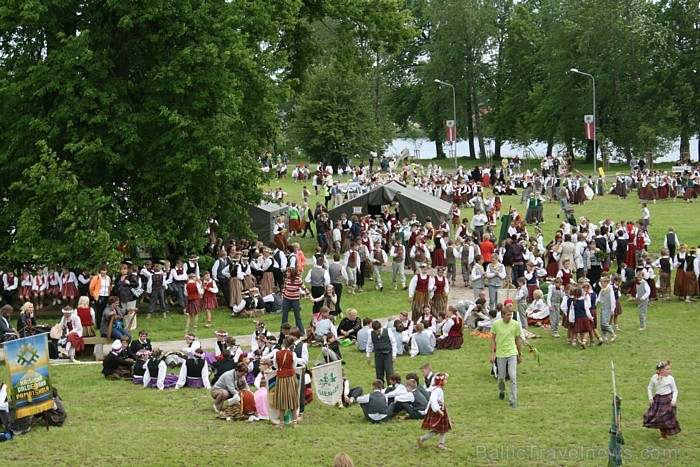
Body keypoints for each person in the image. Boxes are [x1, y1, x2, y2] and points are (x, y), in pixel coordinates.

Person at [490, 305, 522, 408]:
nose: (510, 316)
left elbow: (518, 339)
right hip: (500, 354)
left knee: (513, 377)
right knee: (501, 378)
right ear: (502, 315)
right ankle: (502, 390)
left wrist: (519, 354)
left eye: (511, 314)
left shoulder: (515, 324)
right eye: (508, 315)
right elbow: (492, 339)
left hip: (512, 353)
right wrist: (492, 354)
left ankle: (513, 400)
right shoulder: (496, 324)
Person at [644, 361, 680, 440]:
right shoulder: (654, 377)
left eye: (669, 369)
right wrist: (650, 398)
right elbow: (650, 388)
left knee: (666, 417)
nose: (669, 371)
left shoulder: (670, 378)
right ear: (661, 370)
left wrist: (673, 400)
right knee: (658, 417)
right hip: (658, 400)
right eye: (667, 369)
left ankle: (667, 433)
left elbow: (675, 390)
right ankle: (663, 434)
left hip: (668, 400)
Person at [270, 336, 299, 428]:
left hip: (281, 377)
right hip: (290, 377)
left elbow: (275, 366)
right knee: (292, 398)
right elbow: (294, 366)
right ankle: (294, 422)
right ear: (291, 344)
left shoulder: (277, 353)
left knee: (282, 399)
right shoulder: (293, 354)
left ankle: (281, 423)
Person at [417, 373, 452, 451]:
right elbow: (433, 401)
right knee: (439, 429)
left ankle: (441, 444)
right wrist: (438, 410)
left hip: (441, 409)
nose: (446, 381)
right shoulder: (437, 390)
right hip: (438, 410)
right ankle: (422, 439)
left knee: (444, 428)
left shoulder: (438, 389)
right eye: (444, 380)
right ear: (440, 381)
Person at [366, 320, 397, 385]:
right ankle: (380, 387)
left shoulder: (388, 331)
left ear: (381, 327)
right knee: (379, 372)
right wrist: (368, 356)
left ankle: (391, 386)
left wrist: (394, 355)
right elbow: (369, 345)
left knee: (389, 371)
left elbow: (393, 343)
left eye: (378, 330)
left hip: (387, 354)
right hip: (378, 354)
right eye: (375, 331)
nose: (377, 332)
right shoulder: (371, 333)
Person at [281, 267, 310, 335]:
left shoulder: (298, 280)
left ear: (292, 273)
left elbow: (304, 288)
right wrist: (282, 297)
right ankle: (283, 331)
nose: (286, 273)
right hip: (287, 299)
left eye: (288, 272)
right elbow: (284, 288)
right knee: (284, 316)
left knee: (297, 316)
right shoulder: (286, 279)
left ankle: (301, 331)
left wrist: (310, 296)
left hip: (295, 300)